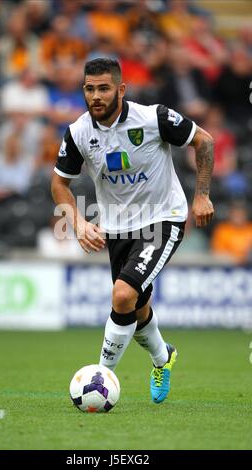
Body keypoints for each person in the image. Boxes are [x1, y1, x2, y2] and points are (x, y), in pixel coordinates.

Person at [51, 58, 214, 404]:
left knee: (123, 295)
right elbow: (59, 184)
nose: (96, 96)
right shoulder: (79, 132)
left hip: (163, 218)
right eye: (90, 89)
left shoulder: (153, 118)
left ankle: (101, 376)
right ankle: (162, 356)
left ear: (121, 90)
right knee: (137, 308)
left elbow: (205, 141)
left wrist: (201, 196)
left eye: (104, 88)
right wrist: (79, 223)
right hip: (116, 228)